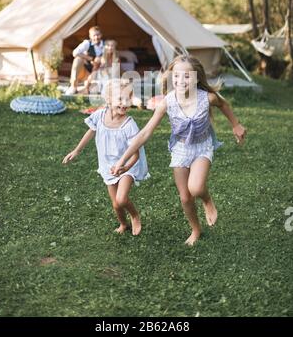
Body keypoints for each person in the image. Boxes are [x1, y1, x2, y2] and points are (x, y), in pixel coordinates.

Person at [111, 56, 247, 245]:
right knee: (185, 197)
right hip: (180, 150)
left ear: (197, 78)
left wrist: (236, 125)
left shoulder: (207, 98)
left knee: (196, 187)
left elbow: (224, 105)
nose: (181, 81)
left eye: (187, 76)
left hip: (202, 147)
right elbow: (145, 133)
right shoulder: (168, 102)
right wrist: (122, 160)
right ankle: (196, 230)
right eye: (177, 76)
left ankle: (207, 200)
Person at [62, 79, 150, 235]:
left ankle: (135, 215)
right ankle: (123, 224)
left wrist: (125, 168)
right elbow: (91, 131)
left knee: (122, 199)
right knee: (116, 204)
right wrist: (76, 150)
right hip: (108, 165)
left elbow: (135, 154)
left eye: (128, 99)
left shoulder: (129, 124)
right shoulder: (100, 115)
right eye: (120, 99)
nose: (124, 103)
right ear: (108, 100)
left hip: (128, 165)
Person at [65, 26, 104, 95]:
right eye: (94, 35)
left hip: (98, 71)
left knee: (93, 89)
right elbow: (74, 53)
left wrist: (100, 60)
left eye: (98, 35)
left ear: (101, 35)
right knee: (78, 59)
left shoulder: (105, 45)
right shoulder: (87, 43)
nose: (96, 37)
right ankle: (73, 86)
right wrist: (90, 58)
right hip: (85, 71)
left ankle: (94, 86)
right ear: (90, 36)